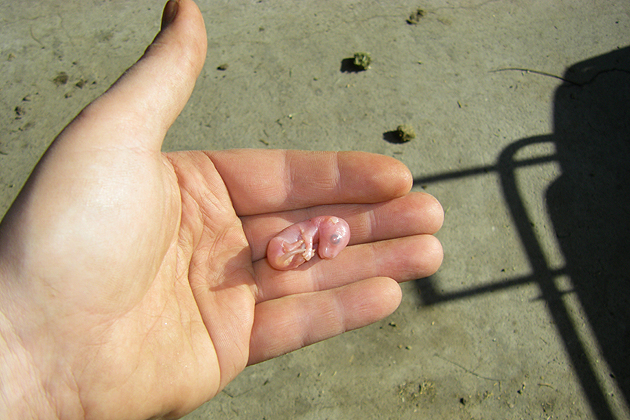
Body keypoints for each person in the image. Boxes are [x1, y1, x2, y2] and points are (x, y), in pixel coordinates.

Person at [0, 0, 444, 418]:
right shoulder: (300, 240)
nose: (314, 241)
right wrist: (28, 348)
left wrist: (33, 366)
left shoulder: (310, 238)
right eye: (319, 237)